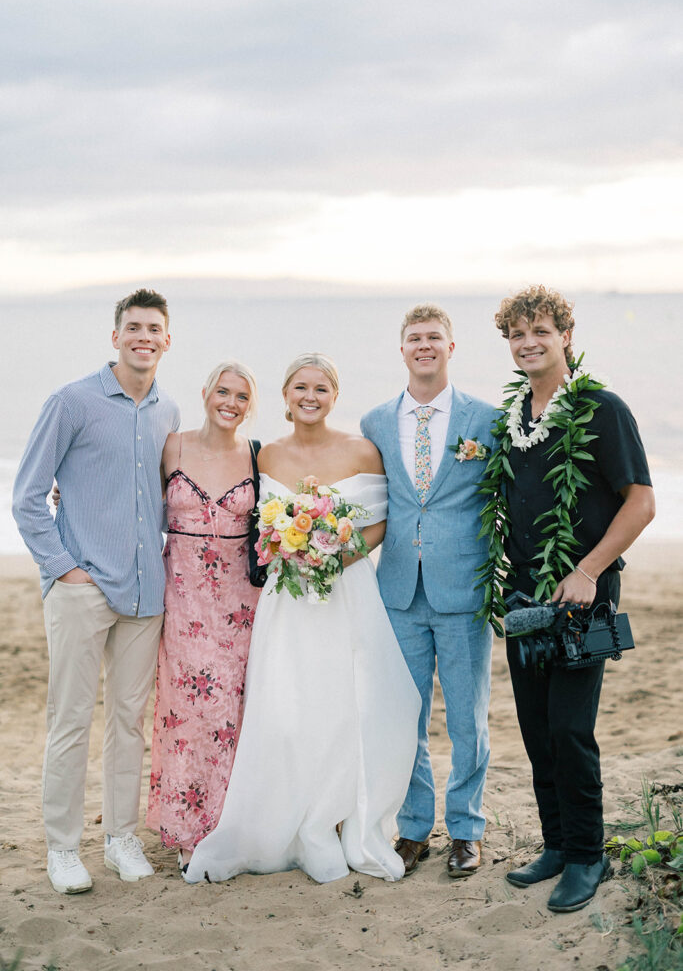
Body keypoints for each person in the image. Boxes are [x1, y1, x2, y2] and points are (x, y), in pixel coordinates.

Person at [184, 354, 421, 884]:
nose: (310, 396)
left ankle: (338, 820)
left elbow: (383, 521)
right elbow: (255, 517)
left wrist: (338, 554)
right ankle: (292, 821)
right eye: (300, 388)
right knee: (287, 707)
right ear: (286, 396)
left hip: (346, 591)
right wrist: (290, 547)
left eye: (320, 388)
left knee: (347, 706)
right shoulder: (266, 454)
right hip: (287, 600)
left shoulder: (362, 449)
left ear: (334, 395)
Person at [488, 285, 655, 912]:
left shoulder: (601, 409)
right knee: (535, 730)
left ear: (565, 336)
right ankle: (556, 845)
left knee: (570, 728)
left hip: (584, 595)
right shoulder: (515, 420)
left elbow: (641, 501)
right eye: (517, 334)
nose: (529, 343)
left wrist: (587, 569)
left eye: (541, 331)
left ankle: (588, 855)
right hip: (526, 595)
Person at [12, 289, 179, 894]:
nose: (143, 336)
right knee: (70, 721)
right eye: (133, 327)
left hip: (146, 593)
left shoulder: (168, 411)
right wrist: (62, 568)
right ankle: (62, 848)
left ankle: (121, 840)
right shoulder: (73, 401)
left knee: (130, 723)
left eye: (153, 328)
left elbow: (164, 502)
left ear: (167, 340)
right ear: (116, 337)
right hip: (84, 587)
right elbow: (28, 495)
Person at [361, 304, 497, 878]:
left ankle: (466, 829)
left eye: (434, 337)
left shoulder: (486, 421)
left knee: (468, 717)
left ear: (451, 347)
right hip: (396, 590)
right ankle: (414, 828)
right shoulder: (373, 423)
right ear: (401, 349)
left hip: (463, 589)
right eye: (414, 338)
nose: (424, 345)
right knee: (405, 716)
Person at [146, 361, 262, 872]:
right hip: (184, 597)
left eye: (241, 396)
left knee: (233, 711)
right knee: (189, 708)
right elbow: (131, 497)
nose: (230, 402)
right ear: (205, 393)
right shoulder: (173, 445)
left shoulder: (258, 455)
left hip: (241, 604)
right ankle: (189, 828)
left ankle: (230, 824)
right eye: (223, 391)